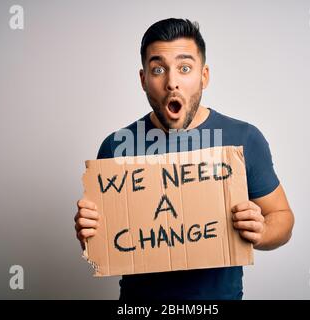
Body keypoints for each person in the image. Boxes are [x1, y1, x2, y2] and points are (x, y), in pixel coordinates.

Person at [74, 18, 294, 300]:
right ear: (143, 80)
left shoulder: (244, 138)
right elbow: (100, 239)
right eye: (158, 69)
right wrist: (89, 231)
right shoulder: (115, 147)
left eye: (185, 68)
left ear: (204, 76)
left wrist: (261, 231)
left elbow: (282, 217)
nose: (172, 82)